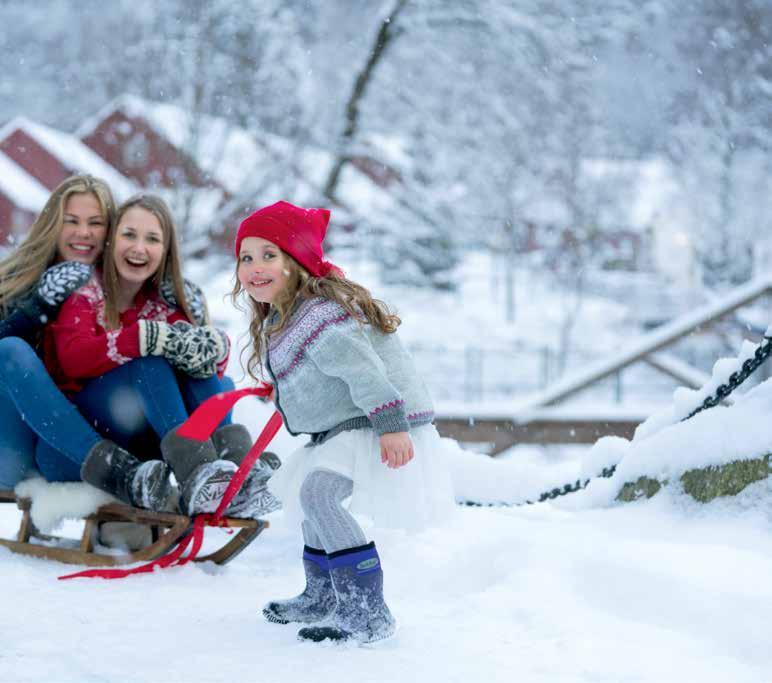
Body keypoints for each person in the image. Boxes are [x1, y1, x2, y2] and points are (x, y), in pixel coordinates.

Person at [231, 200, 452, 644]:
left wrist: (391, 424)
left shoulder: (318, 313)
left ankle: (367, 611)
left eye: (269, 255)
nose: (255, 267)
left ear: (296, 264)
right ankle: (324, 596)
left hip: (374, 420)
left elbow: (361, 368)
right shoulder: (287, 314)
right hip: (347, 423)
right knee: (312, 501)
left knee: (319, 495)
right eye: (246, 257)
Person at [42, 194, 279, 518]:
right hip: (90, 426)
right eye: (129, 235)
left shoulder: (162, 307)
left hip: (144, 435)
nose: (139, 248)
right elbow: (74, 358)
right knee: (150, 363)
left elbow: (203, 365)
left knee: (200, 365)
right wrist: (137, 339)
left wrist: (214, 347)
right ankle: (196, 470)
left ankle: (237, 469)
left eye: (152, 239)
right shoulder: (85, 295)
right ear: (111, 241)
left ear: (165, 251)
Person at [0, 175, 171, 510]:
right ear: (53, 225)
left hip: (62, 450)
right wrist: (38, 306)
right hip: (11, 446)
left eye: (96, 223)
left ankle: (179, 471)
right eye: (72, 222)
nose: (84, 233)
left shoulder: (118, 288)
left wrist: (175, 303)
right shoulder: (17, 280)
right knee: (10, 350)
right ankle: (113, 470)